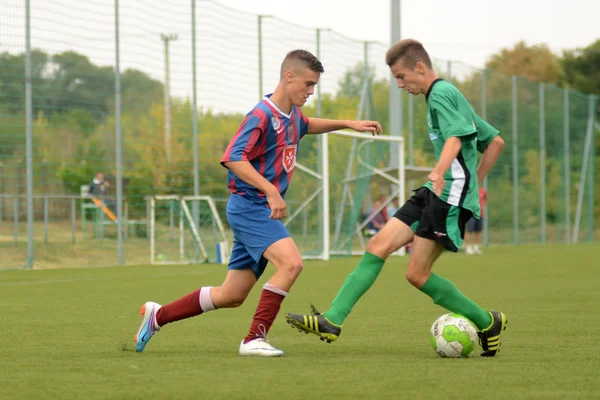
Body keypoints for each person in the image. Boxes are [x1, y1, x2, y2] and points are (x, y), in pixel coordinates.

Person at [133, 49, 382, 357]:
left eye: (314, 85)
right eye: (307, 84)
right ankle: (254, 339)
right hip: (250, 206)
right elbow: (233, 158)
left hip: (259, 209)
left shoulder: (292, 116)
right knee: (291, 264)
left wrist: (349, 124)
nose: (311, 91)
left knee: (231, 294)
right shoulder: (261, 115)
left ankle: (157, 317)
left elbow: (308, 124)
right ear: (288, 77)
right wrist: (271, 191)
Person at [286, 39, 507, 357]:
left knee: (416, 274)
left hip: (447, 196)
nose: (400, 85)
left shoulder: (442, 93)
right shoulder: (444, 96)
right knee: (377, 246)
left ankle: (487, 321)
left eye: (402, 77)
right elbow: (495, 142)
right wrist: (471, 182)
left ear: (420, 67)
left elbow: (457, 137)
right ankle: (332, 320)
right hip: (436, 193)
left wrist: (446, 174)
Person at [465, 187, 487, 255]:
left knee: (478, 232)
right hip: (471, 214)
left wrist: (483, 207)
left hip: (480, 215)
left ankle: (476, 248)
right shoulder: (470, 190)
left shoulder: (482, 191)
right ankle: (468, 248)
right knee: (469, 231)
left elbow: (485, 199)